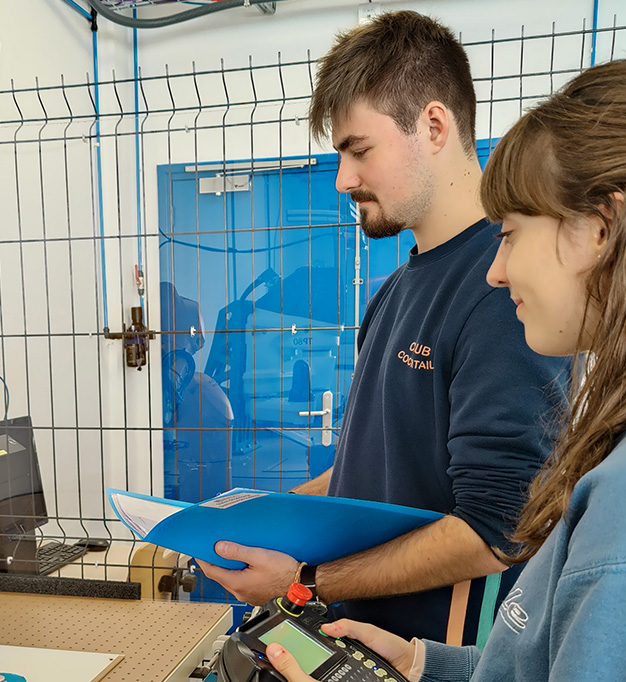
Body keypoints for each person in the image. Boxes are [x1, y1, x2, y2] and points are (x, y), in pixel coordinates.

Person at [264, 58, 626, 682]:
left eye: (511, 233)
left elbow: (495, 525)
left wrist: (310, 579)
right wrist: (427, 665)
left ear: (601, 229)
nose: (497, 272)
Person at [197, 11, 567, 645]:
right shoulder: (395, 290)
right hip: (361, 644)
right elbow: (374, 470)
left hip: (433, 654)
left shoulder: (507, 288)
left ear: (433, 125)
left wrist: (307, 579)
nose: (343, 178)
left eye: (359, 150)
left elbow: (497, 528)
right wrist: (261, 517)